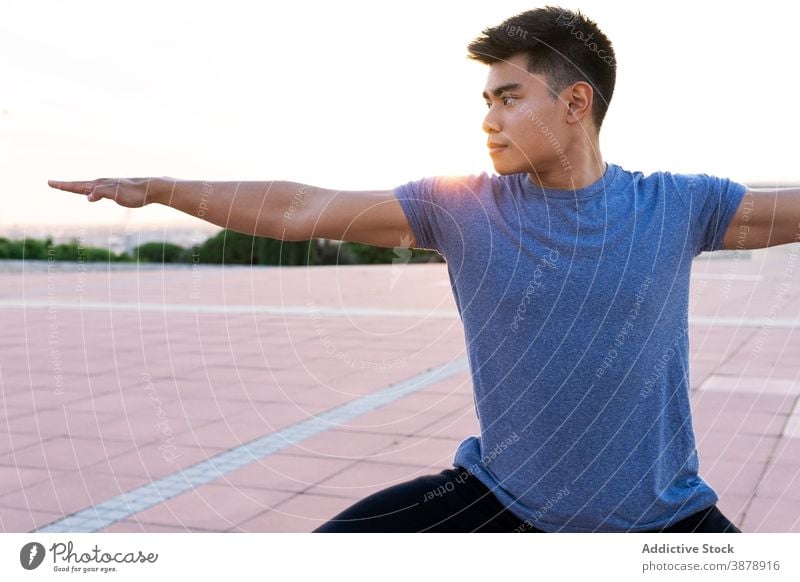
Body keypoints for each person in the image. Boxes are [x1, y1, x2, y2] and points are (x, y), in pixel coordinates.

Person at [49, 6, 791, 532]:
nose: (488, 119)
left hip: (665, 523)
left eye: (509, 97)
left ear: (574, 102)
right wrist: (162, 189)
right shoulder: (464, 208)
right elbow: (303, 209)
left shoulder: (679, 206)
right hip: (503, 507)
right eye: (485, 99)